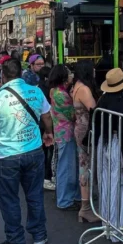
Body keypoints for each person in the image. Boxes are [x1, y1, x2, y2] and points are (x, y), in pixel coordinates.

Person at [0, 58, 54, 244]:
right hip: (34, 152)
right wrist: (49, 132)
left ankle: (16, 240)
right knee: (35, 195)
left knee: (9, 199)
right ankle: (39, 234)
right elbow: (46, 116)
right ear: (20, 73)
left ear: (3, 75)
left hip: (8, 157)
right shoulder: (35, 91)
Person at [94, 68, 123, 242]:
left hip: (104, 143)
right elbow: (122, 133)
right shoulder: (122, 103)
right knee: (118, 186)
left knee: (105, 183)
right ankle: (116, 229)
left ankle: (105, 224)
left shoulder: (102, 101)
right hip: (117, 145)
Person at [71, 60, 100, 222]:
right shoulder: (84, 89)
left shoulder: (77, 86)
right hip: (86, 131)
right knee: (86, 168)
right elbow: (95, 110)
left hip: (80, 129)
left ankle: (86, 208)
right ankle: (86, 208)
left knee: (84, 166)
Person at [48, 65, 80, 210]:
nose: (71, 75)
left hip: (60, 132)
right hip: (66, 133)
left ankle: (67, 197)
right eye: (68, 73)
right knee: (66, 168)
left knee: (65, 166)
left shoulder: (54, 91)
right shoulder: (62, 95)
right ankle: (64, 200)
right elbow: (72, 115)